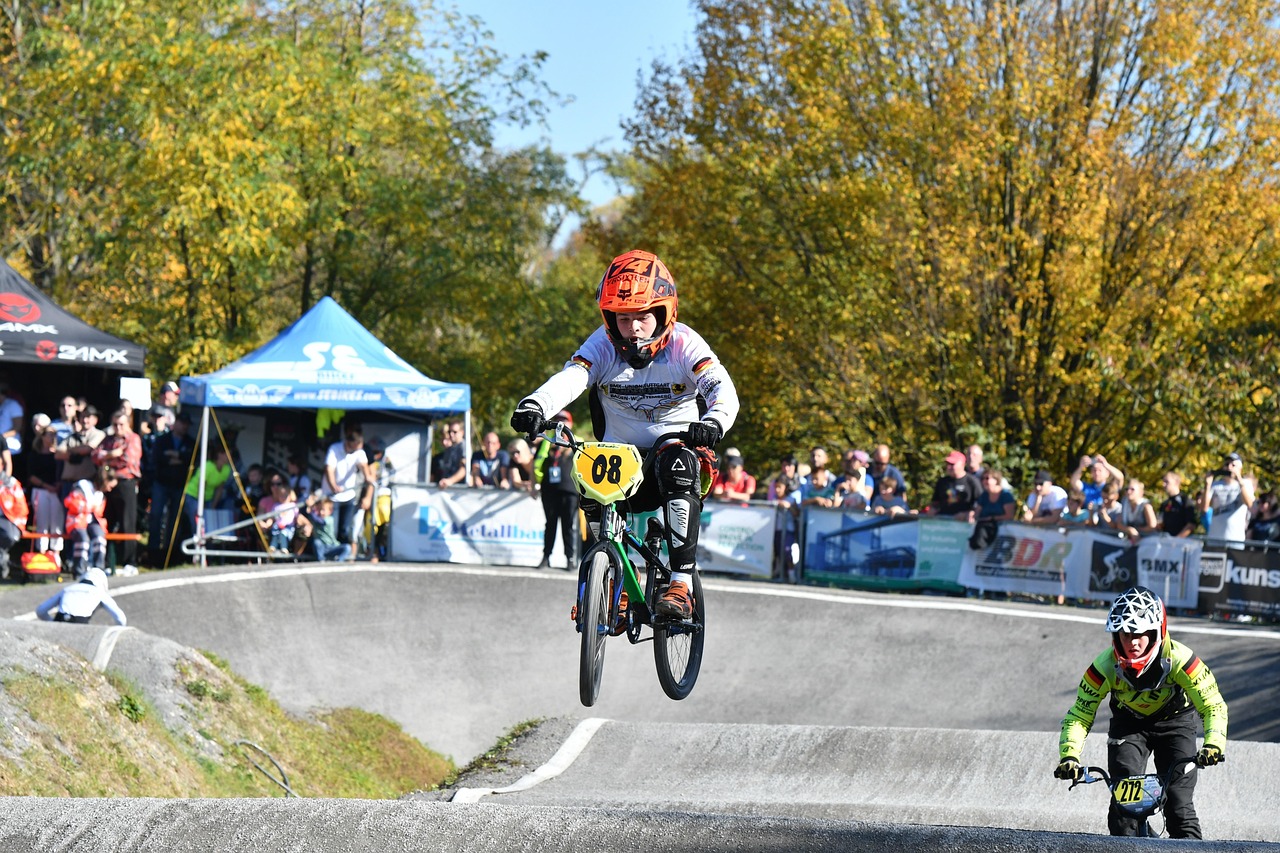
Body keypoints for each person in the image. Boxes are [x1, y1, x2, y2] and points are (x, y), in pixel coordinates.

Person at [510, 249, 738, 619]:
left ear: (664, 312)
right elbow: (572, 378)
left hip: (676, 454)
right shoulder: (601, 344)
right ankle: (606, 579)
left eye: (643, 317)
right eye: (624, 318)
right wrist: (535, 405)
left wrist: (714, 422)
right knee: (585, 470)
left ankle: (680, 583)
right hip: (620, 460)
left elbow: (720, 387)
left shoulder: (685, 344)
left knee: (678, 460)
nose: (633, 328)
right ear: (609, 318)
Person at [1055, 587, 1227, 838]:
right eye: (1126, 633)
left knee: (1178, 807)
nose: (1133, 641)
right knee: (1124, 811)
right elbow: (1079, 715)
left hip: (1176, 724)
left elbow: (1213, 705)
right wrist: (1069, 756)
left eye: (1141, 633)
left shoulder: (1180, 659)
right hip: (1129, 725)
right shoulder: (1103, 667)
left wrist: (1214, 744)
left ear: (1157, 631)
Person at [93, 409, 142, 571]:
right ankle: (108, 562)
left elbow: (127, 460)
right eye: (115, 424)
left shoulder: (133, 439)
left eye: (121, 424)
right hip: (108, 485)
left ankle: (130, 562)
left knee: (127, 523)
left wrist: (106, 458)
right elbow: (95, 455)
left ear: (127, 423)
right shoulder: (108, 440)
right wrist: (112, 453)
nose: (118, 428)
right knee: (108, 521)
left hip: (125, 483)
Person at [533, 410, 580, 570]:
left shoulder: (577, 442)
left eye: (565, 420)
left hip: (570, 491)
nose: (561, 424)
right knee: (550, 524)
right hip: (549, 490)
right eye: (558, 420)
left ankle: (570, 559)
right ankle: (546, 557)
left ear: (571, 424)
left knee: (568, 526)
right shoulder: (547, 442)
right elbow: (536, 465)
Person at [148, 411, 196, 566]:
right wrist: (178, 457)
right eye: (182, 424)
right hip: (161, 483)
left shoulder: (190, 442)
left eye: (187, 425)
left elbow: (191, 460)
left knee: (174, 520)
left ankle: (170, 553)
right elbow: (157, 458)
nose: (184, 427)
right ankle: (153, 552)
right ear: (175, 424)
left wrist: (174, 456)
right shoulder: (163, 440)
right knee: (156, 515)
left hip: (179, 485)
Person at [322, 426, 372, 554]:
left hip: (349, 495)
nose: (358, 450)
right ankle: (331, 552)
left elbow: (364, 467)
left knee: (346, 529)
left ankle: (343, 554)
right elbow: (329, 469)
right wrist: (334, 486)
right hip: (332, 496)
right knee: (332, 528)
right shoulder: (335, 449)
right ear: (349, 443)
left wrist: (368, 478)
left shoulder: (359, 452)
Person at [26, 419, 64, 570]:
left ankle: (55, 554)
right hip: (40, 491)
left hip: (56, 491)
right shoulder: (34, 455)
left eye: (54, 435)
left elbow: (62, 473)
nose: (52, 437)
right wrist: (46, 486)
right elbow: (31, 476)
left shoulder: (59, 455)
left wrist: (57, 485)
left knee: (56, 523)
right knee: (42, 523)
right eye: (49, 434)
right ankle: (41, 555)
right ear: (42, 436)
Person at [64, 466, 116, 577]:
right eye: (110, 486)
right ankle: (79, 571)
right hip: (76, 522)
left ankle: (98, 569)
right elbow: (71, 503)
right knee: (83, 539)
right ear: (105, 481)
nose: (110, 489)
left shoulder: (100, 496)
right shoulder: (82, 486)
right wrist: (88, 507)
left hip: (92, 522)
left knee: (99, 536)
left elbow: (98, 513)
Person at [35, 566, 126, 625]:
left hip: (60, 619)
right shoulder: (100, 593)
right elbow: (121, 619)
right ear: (102, 584)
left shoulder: (68, 589)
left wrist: (53, 624)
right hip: (80, 622)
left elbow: (40, 610)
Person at [1201, 452, 1255, 546]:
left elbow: (1249, 504)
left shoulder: (1245, 484)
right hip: (1214, 539)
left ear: (1240, 468)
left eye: (1233, 465)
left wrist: (1239, 480)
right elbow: (1204, 509)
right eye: (1227, 464)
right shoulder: (1215, 485)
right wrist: (1207, 485)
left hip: (1235, 540)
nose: (1229, 467)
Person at [56, 405, 105, 498]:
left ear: (95, 420)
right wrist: (73, 455)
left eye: (88, 417)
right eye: (82, 416)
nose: (85, 420)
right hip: (68, 484)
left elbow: (87, 448)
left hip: (87, 483)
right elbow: (58, 454)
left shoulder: (99, 434)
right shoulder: (70, 437)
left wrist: (69, 450)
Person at [926, 450, 982, 520]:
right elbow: (935, 502)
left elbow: (981, 504)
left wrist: (970, 513)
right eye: (948, 464)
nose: (949, 467)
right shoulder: (942, 482)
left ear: (962, 464)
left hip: (964, 524)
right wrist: (933, 509)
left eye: (952, 464)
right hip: (943, 522)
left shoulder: (972, 481)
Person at [1070, 454, 1125, 519]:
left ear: (1107, 473)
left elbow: (1120, 478)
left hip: (1107, 523)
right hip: (1089, 523)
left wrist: (1106, 464)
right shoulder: (1086, 487)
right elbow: (1074, 482)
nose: (1096, 473)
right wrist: (1081, 467)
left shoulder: (1111, 488)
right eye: (1094, 470)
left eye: (1100, 470)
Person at [297, 495, 350, 561]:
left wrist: (311, 507)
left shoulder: (329, 519)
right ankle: (321, 561)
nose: (321, 512)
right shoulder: (315, 517)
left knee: (347, 547)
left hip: (332, 546)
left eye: (323, 510)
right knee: (317, 542)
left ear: (330, 511)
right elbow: (306, 513)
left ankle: (338, 562)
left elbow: (320, 521)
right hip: (321, 547)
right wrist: (309, 504)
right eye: (319, 510)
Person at [257, 472, 300, 554]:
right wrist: (263, 524)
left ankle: (291, 555)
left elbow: (298, 517)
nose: (275, 487)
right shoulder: (266, 501)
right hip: (271, 529)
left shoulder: (292, 503)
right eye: (272, 484)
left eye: (278, 484)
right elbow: (261, 516)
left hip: (288, 529)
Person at [0, 471, 29, 580]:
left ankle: (3, 563)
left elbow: (21, 507)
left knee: (10, 536)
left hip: (10, 519)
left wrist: (19, 523)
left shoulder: (10, 483)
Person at [1159, 472, 1198, 538]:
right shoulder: (1165, 504)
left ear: (1176, 482)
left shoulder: (1185, 501)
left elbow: (1191, 524)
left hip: (1181, 544)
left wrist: (1177, 540)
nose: (1163, 485)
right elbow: (1160, 524)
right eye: (1163, 482)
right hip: (1165, 542)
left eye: (1166, 482)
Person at [431, 420, 467, 488]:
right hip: (447, 488)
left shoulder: (464, 447)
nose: (451, 434)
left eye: (454, 432)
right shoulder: (449, 449)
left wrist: (450, 481)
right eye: (449, 432)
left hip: (459, 489)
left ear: (462, 432)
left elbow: (464, 469)